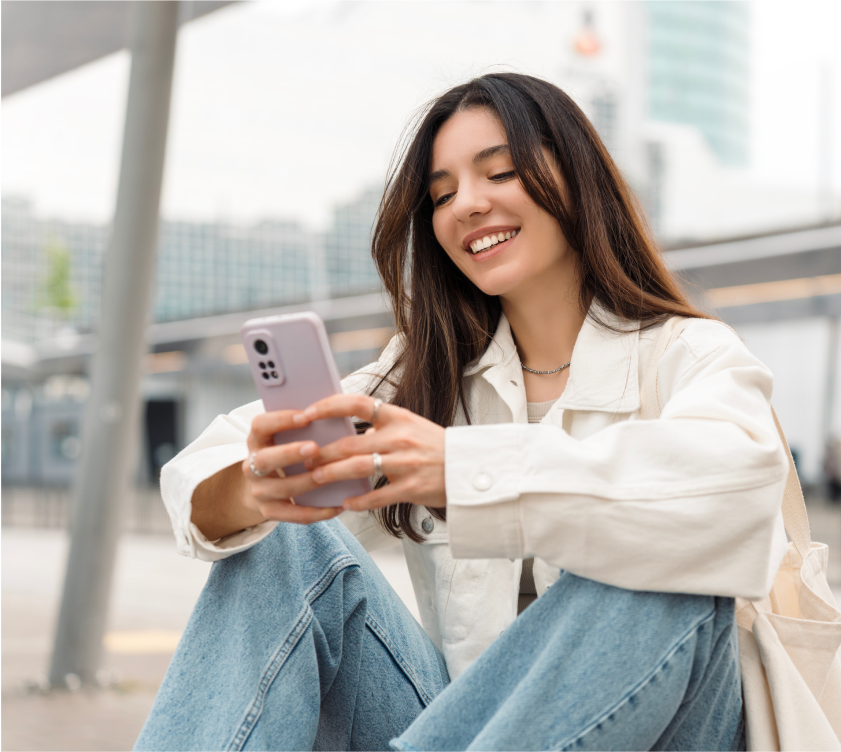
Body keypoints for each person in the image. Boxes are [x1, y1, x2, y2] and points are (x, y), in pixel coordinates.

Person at [134, 73, 789, 752]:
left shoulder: (689, 354)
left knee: (661, 559)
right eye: (442, 194)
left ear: (577, 180)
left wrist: (465, 470)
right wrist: (255, 485)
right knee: (286, 541)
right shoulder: (429, 374)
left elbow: (738, 496)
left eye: (499, 172)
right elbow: (204, 469)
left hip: (664, 730)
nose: (467, 206)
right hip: (467, 729)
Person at [822, 435, 841, 506]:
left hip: (837, 477)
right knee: (839, 495)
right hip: (840, 477)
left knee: (838, 495)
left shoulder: (835, 452)